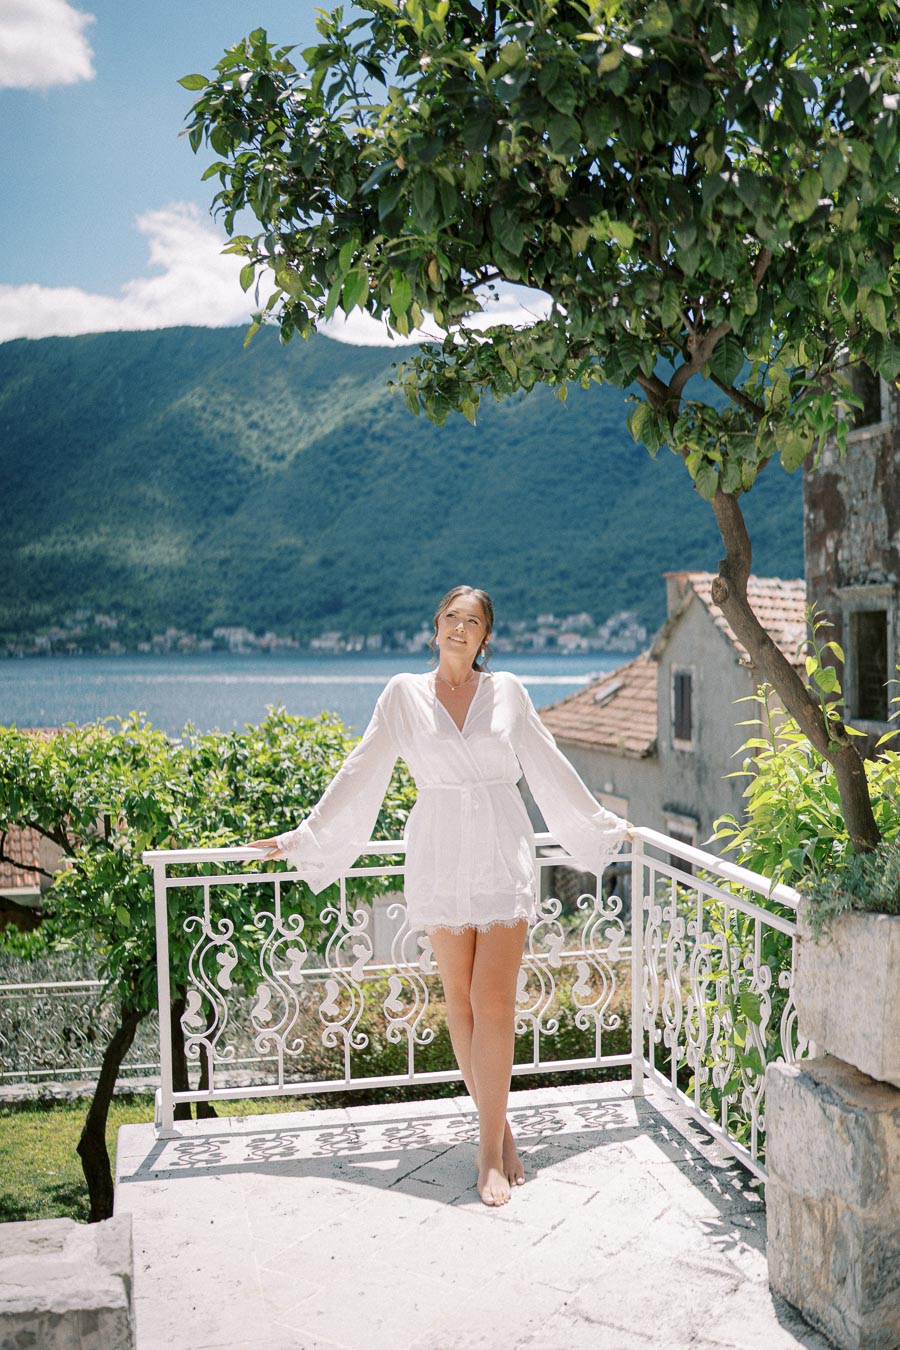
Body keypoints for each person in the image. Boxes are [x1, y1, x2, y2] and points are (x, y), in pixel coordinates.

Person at [248, 585, 631, 1207]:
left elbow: (548, 761)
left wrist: (601, 826)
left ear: (486, 637)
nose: (460, 627)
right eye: (451, 617)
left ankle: (486, 1158)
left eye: (473, 621)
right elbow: (362, 768)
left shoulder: (507, 691)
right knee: (460, 1000)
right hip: (439, 851)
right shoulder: (402, 693)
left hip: (502, 850)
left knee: (494, 1000)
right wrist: (305, 836)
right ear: (436, 628)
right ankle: (498, 1128)